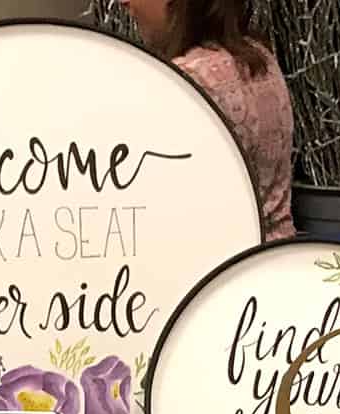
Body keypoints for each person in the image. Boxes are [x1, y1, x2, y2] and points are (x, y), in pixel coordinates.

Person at [124, 0, 295, 242]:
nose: (123, 2)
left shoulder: (183, 82)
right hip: (279, 261)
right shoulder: (262, 59)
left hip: (220, 271)